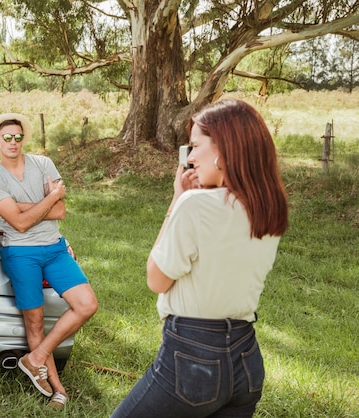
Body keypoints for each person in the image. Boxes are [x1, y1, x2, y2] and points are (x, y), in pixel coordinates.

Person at [111, 98, 289, 418]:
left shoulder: (195, 206)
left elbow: (156, 279)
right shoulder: (268, 208)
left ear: (224, 150)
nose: (190, 157)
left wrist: (177, 200)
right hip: (246, 358)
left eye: (194, 146)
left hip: (193, 357)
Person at [0, 113, 99, 410]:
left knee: (87, 304)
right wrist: (46, 201)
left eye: (17, 137)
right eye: (6, 137)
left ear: (24, 139)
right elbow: (20, 225)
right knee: (34, 323)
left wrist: (22, 209)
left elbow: (60, 212)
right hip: (20, 254)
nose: (13, 142)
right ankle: (57, 391)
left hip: (55, 248)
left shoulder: (43, 164)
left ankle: (35, 358)